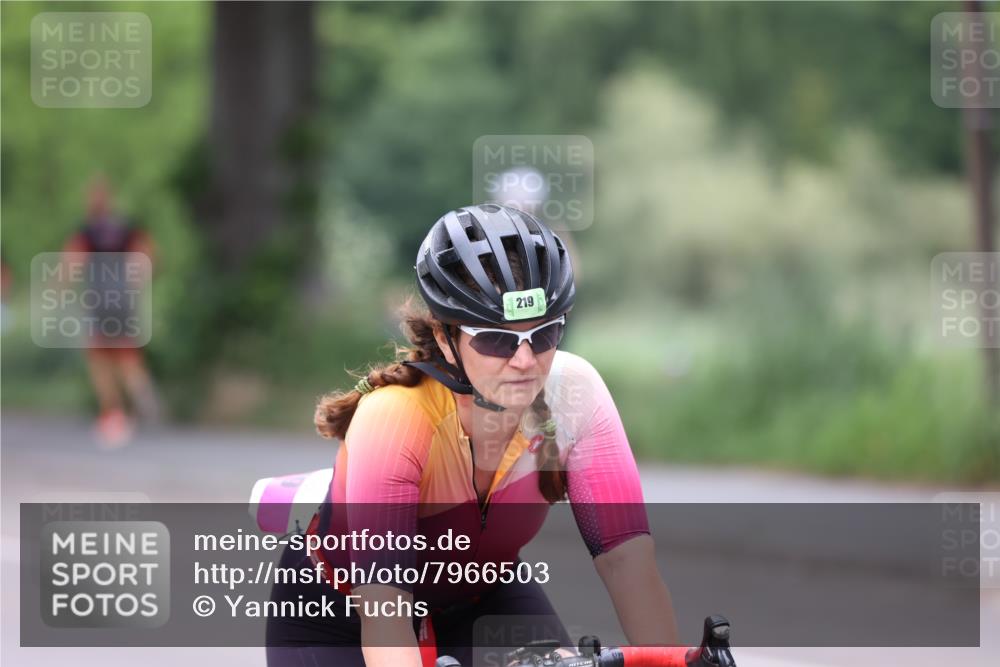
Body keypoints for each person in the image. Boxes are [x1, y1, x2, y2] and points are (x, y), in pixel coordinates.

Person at [265, 204, 678, 667]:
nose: (524, 360)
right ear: (445, 338)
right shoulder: (396, 416)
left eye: (544, 334)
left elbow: (628, 564)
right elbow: (385, 612)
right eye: (496, 339)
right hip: (341, 615)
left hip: (484, 600)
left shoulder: (573, 392)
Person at [62, 177, 160, 448]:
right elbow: (148, 253)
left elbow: (72, 261)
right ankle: (140, 391)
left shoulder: (88, 231)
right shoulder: (126, 228)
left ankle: (113, 413)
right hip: (123, 300)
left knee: (99, 357)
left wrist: (61, 288)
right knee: (126, 353)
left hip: (100, 300)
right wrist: (136, 281)